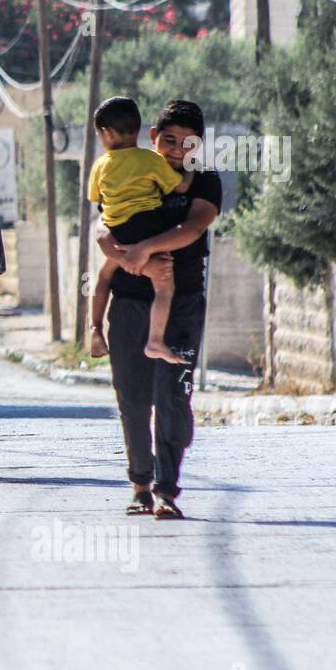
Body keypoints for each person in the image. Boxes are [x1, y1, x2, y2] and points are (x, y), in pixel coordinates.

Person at [95, 99, 222, 520]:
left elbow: (194, 227)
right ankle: (140, 486)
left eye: (187, 144)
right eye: (169, 140)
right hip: (130, 302)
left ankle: (168, 489)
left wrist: (145, 248)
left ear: (198, 145)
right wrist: (113, 247)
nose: (176, 150)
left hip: (182, 301)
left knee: (174, 397)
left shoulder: (205, 181)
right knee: (132, 398)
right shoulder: (133, 170)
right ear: (153, 137)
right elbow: (103, 219)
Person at [86, 96, 190, 365]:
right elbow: (179, 187)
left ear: (106, 134)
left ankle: (95, 328)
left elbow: (95, 197)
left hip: (118, 232)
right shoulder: (151, 160)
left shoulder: (100, 164)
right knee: (164, 286)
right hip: (148, 227)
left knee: (104, 275)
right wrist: (189, 171)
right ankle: (155, 341)